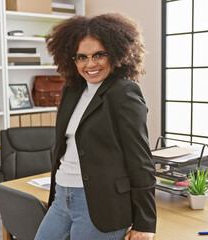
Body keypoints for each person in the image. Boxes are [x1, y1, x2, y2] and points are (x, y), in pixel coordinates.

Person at [35, 13, 156, 240]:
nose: (90, 64)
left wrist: (145, 222)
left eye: (99, 55)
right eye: (81, 57)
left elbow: (140, 159)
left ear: (117, 53)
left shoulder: (124, 93)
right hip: (61, 197)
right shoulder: (72, 90)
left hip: (101, 204)